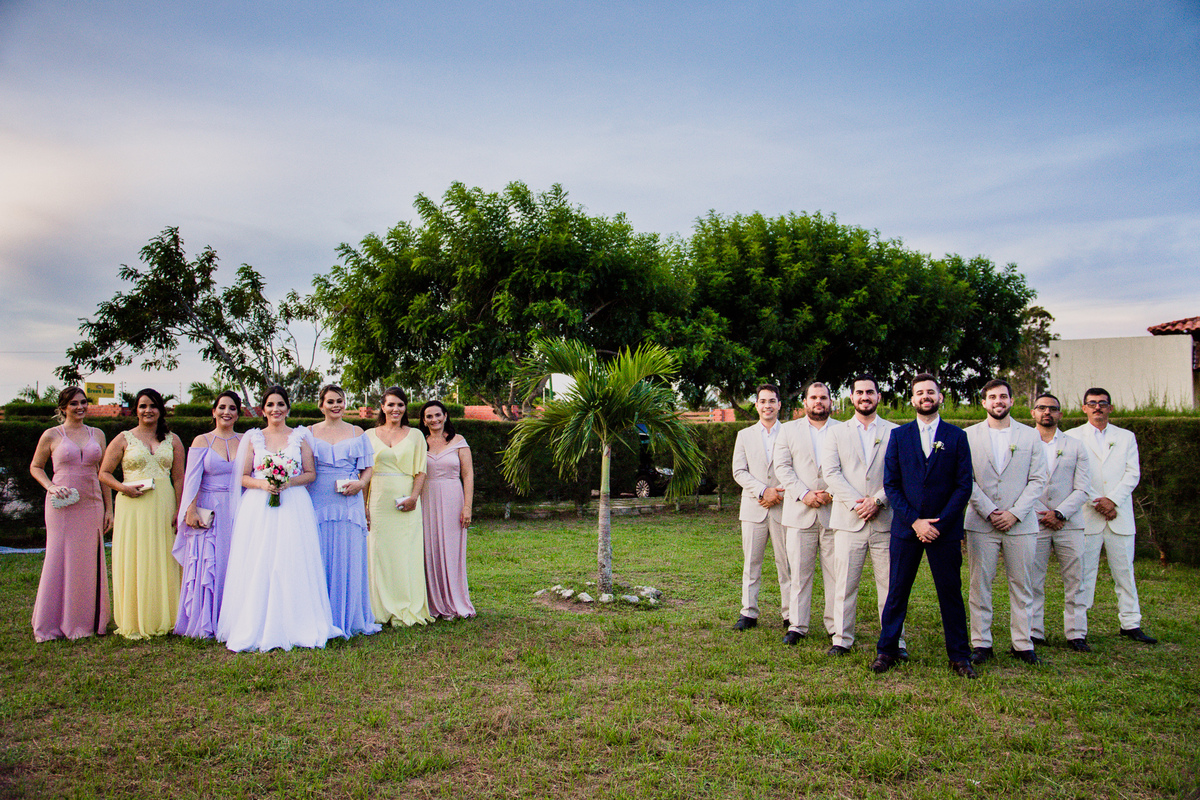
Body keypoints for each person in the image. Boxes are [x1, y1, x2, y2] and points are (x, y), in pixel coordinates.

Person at [217, 386, 341, 652]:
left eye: (281, 404)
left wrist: (288, 482)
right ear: (263, 410)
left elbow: (311, 473)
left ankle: (296, 623)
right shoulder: (253, 438)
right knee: (260, 560)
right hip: (259, 506)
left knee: (291, 559)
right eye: (271, 405)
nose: (276, 409)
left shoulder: (300, 437)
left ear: (288, 408)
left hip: (293, 505)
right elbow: (242, 476)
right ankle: (256, 623)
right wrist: (264, 485)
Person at [873, 373, 975, 678]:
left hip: (944, 531)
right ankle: (887, 649)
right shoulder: (899, 436)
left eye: (930, 392)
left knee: (950, 593)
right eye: (919, 393)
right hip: (906, 529)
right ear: (913, 399)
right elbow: (891, 484)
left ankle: (959, 656)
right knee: (897, 592)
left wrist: (939, 524)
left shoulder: (957, 436)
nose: (925, 397)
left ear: (940, 397)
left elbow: (963, 485)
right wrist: (915, 521)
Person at [963, 379, 1048, 665]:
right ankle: (981, 643)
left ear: (1011, 401)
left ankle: (1023, 643)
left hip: (1020, 523)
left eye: (1003, 396)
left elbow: (1039, 479)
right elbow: (966, 480)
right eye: (992, 397)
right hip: (981, 521)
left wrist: (1015, 513)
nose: (998, 401)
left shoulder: (1030, 435)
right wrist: (989, 511)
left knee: (1022, 583)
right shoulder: (968, 435)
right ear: (984, 402)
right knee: (980, 583)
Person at [1064, 387, 1157, 644]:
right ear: (1084, 408)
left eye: (1102, 403)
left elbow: (1132, 474)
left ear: (1110, 408)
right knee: (1083, 574)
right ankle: (1078, 630)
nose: (1097, 408)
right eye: (1092, 403)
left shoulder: (1126, 437)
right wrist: (1098, 501)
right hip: (1087, 514)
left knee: (1125, 572)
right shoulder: (1072, 437)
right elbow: (1075, 475)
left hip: (1119, 514)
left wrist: (1112, 501)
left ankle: (1130, 623)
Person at [820, 375, 902, 656]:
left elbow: (900, 474)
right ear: (851, 398)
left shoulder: (896, 432)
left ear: (878, 397)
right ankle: (841, 639)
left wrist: (877, 500)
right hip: (848, 520)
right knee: (844, 583)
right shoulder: (836, 433)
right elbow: (831, 473)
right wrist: (858, 504)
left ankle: (894, 641)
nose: (865, 396)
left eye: (870, 392)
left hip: (885, 519)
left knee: (891, 585)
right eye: (859, 392)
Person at [99, 388, 184, 640]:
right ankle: (136, 618)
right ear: (135, 409)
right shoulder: (124, 438)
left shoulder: (173, 440)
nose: (148, 410)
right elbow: (103, 473)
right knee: (137, 557)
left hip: (164, 503)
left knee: (164, 556)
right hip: (132, 505)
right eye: (143, 406)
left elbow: (179, 478)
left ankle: (167, 616)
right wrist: (123, 488)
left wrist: (179, 509)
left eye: (153, 405)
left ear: (161, 410)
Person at [28, 387, 112, 641]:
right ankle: (50, 623)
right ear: (63, 407)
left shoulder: (98, 434)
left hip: (92, 503)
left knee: (87, 562)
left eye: (84, 402)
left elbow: (104, 474)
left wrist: (110, 508)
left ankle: (85, 622)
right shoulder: (52, 435)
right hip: (61, 506)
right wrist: (51, 487)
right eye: (74, 403)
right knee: (58, 558)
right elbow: (35, 466)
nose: (80, 407)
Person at [307, 384, 380, 638]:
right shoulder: (308, 433)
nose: (336, 405)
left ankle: (348, 615)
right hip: (318, 499)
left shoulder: (357, 432)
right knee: (319, 556)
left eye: (339, 400)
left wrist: (360, 484)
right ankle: (320, 617)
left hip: (349, 502)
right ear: (321, 405)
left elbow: (368, 468)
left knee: (348, 555)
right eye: (330, 401)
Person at [172, 391, 243, 638]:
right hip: (208, 508)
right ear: (214, 411)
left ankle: (231, 618)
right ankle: (204, 621)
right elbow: (191, 479)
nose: (227, 412)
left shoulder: (245, 441)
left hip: (238, 508)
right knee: (208, 563)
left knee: (235, 561)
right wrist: (189, 510)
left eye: (232, 408)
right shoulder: (202, 440)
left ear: (238, 413)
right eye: (222, 407)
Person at [774, 381, 840, 644]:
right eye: (813, 397)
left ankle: (836, 625)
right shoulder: (788, 431)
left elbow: (848, 468)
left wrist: (830, 493)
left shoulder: (842, 430)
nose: (818, 402)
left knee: (836, 572)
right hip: (800, 511)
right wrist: (804, 494)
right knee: (799, 572)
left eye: (823, 397)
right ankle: (797, 625)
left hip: (834, 511)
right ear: (805, 402)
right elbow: (783, 467)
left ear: (830, 402)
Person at [1029, 393, 1092, 652]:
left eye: (1052, 409)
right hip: (1034, 520)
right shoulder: (1023, 442)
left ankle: (1076, 633)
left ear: (1060, 415)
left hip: (1069, 523)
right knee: (1032, 579)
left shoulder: (1076, 445)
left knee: (1076, 579)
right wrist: (1041, 512)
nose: (1047, 413)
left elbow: (1083, 488)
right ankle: (1033, 631)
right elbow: (1017, 482)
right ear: (1033, 413)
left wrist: (1061, 513)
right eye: (1041, 408)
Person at [366, 387, 433, 627]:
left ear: (405, 408)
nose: (396, 409)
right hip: (378, 499)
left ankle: (407, 605)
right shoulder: (368, 435)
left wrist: (414, 498)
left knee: (406, 553)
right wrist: (364, 506)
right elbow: (365, 473)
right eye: (391, 404)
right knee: (378, 552)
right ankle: (380, 608)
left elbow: (421, 471)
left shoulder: (415, 435)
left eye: (400, 405)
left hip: (406, 499)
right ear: (382, 407)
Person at [730, 384, 789, 631]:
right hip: (754, 507)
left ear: (779, 405)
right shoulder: (744, 435)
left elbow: (796, 470)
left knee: (786, 564)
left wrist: (778, 493)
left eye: (772, 401)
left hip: (784, 508)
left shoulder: (791, 433)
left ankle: (790, 614)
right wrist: (763, 491)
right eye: (763, 401)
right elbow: (739, 471)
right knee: (751, 563)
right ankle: (748, 612)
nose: (767, 405)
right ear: (756, 405)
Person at [418, 400, 476, 619]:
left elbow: (468, 474)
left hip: (453, 497)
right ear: (423, 420)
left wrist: (467, 506)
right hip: (426, 497)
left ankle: (456, 601)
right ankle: (433, 603)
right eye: (429, 416)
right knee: (429, 548)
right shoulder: (420, 442)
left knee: (452, 550)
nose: (434, 420)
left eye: (437, 415)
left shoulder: (458, 441)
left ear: (445, 416)